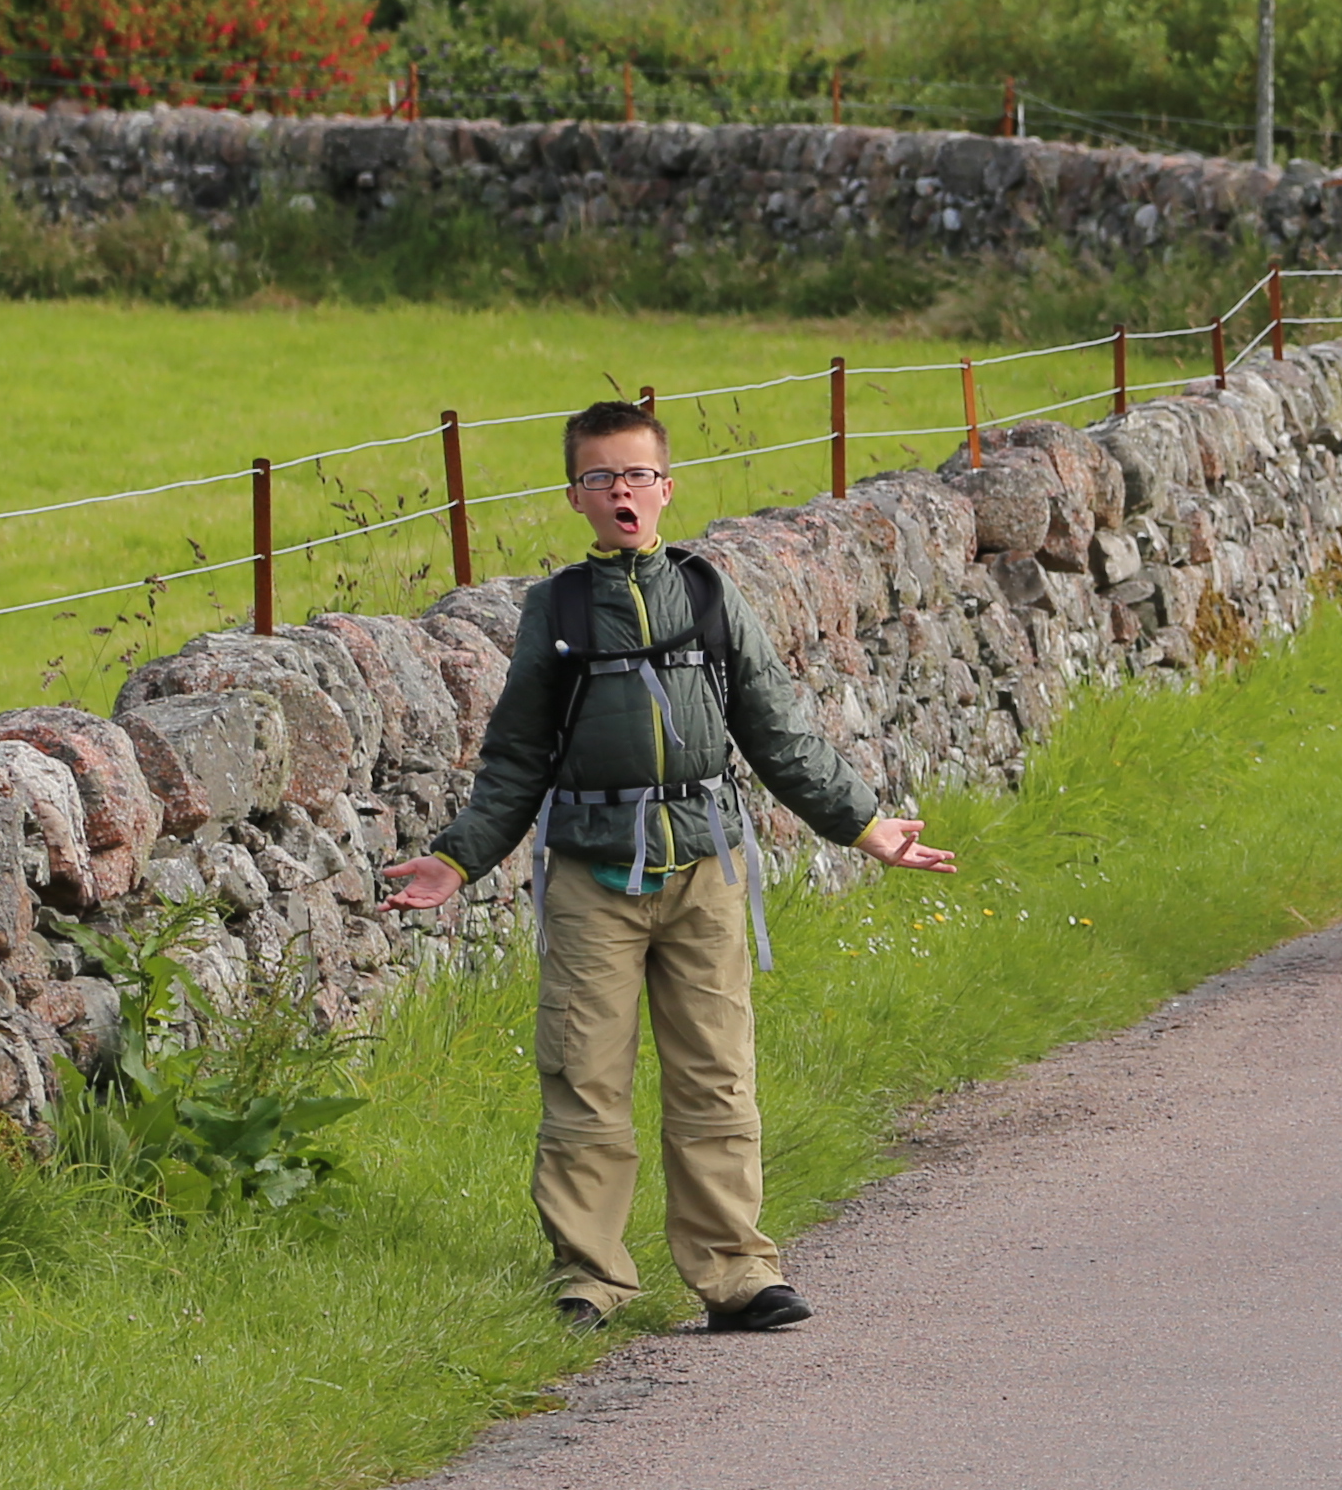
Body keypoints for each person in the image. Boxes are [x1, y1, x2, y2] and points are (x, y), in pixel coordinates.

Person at [379, 398, 950, 1334]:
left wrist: (866, 827)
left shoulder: (713, 597)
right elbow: (517, 756)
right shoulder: (555, 610)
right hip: (591, 874)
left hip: (706, 869)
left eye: (637, 474)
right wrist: (457, 860)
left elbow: (777, 732)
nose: (621, 492)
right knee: (584, 1076)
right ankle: (589, 1279)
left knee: (717, 1074)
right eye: (600, 477)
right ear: (575, 496)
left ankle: (735, 1273)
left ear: (666, 487)